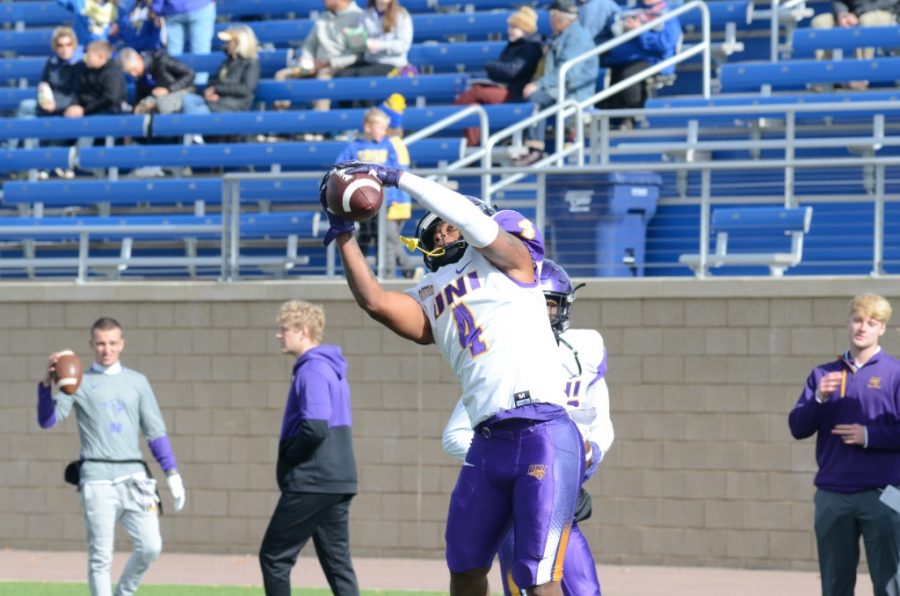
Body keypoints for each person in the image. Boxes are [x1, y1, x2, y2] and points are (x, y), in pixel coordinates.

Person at [320, 161, 584, 595]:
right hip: (487, 440)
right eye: (435, 231)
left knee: (536, 577)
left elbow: (470, 221)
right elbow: (374, 301)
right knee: (463, 567)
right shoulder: (429, 293)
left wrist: (398, 178)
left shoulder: (511, 263)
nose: (443, 233)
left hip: (543, 430)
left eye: (447, 225)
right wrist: (344, 231)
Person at [442, 259, 613, 596]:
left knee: (585, 590)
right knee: (525, 585)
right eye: (537, 302)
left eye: (550, 303)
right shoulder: (502, 358)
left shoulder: (586, 349)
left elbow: (602, 425)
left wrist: (580, 458)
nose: (544, 312)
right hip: (515, 489)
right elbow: (454, 436)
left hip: (560, 487)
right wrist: (519, 457)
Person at [36, 317, 186, 596]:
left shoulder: (138, 382)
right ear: (91, 345)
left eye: (113, 343)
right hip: (96, 478)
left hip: (135, 478)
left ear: (122, 344)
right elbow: (48, 421)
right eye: (101, 343)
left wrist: (172, 473)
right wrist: (45, 387)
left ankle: (124, 593)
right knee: (100, 556)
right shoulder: (76, 382)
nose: (107, 349)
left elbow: (155, 433)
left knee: (151, 546)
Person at [788, 293, 900, 596]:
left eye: (871, 322)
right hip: (832, 495)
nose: (862, 327)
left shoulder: (896, 373)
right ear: (847, 323)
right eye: (857, 320)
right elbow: (798, 428)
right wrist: (819, 400)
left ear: (882, 329)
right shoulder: (823, 374)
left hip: (885, 495)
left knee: (891, 584)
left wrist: (870, 436)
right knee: (835, 585)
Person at [259, 300, 359, 596]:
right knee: (337, 564)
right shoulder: (330, 368)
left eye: (284, 328)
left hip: (313, 482)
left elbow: (315, 427)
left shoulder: (312, 369)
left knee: (274, 557)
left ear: (302, 331)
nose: (279, 335)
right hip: (337, 480)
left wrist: (290, 456)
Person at [512, 0, 598, 167]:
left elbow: (568, 73)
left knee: (535, 98)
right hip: (560, 89)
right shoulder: (564, 35)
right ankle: (517, 142)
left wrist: (539, 84)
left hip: (573, 92)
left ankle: (535, 149)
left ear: (558, 17)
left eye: (551, 16)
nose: (550, 20)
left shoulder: (576, 36)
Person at [335, 107, 415, 278]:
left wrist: (394, 198)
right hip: (362, 203)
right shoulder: (354, 147)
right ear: (368, 127)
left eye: (385, 129)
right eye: (380, 128)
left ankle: (389, 275)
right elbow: (340, 167)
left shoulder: (389, 146)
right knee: (368, 236)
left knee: (387, 238)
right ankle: (358, 274)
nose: (383, 132)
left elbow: (395, 173)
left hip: (385, 202)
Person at [453, 6, 544, 147]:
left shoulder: (530, 47)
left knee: (477, 91)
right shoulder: (516, 46)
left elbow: (512, 71)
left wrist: (490, 66)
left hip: (515, 92)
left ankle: (447, 115)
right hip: (506, 88)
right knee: (473, 108)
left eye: (513, 27)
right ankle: (470, 152)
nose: (509, 30)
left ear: (524, 28)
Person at [600, 0, 681, 129]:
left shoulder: (668, 13)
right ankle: (614, 121)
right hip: (625, 58)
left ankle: (635, 116)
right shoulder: (632, 11)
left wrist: (641, 31)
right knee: (607, 75)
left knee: (628, 76)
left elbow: (665, 43)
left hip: (653, 60)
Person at [273, 0, 363, 111]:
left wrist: (328, 63)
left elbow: (358, 54)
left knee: (323, 79)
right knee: (282, 75)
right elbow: (309, 45)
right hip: (314, 65)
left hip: (337, 67)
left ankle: (320, 124)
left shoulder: (357, 18)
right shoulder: (324, 17)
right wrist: (307, 61)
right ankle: (282, 119)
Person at [6, 27, 85, 152]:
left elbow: (75, 94)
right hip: (47, 105)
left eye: (68, 45)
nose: (64, 49)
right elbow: (44, 83)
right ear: (55, 46)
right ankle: (9, 151)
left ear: (73, 45)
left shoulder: (79, 65)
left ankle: (31, 159)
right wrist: (43, 97)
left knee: (29, 120)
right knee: (25, 108)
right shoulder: (51, 62)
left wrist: (56, 104)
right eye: (60, 45)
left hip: (64, 109)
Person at [810, 0, 899, 88]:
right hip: (853, 14)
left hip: (886, 12)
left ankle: (860, 77)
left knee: (866, 21)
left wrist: (857, 14)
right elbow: (840, 1)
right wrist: (842, 14)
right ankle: (823, 79)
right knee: (820, 22)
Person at [182, 25, 261, 115]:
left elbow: (245, 89)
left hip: (233, 105)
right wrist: (210, 92)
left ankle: (196, 128)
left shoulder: (251, 64)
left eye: (229, 42)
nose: (226, 45)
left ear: (239, 43)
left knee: (198, 112)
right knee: (188, 100)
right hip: (218, 101)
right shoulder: (228, 62)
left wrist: (216, 89)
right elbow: (214, 81)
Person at [335, 0, 414, 78]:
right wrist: (352, 36)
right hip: (370, 61)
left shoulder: (401, 15)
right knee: (342, 74)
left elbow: (403, 45)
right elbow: (360, 44)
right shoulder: (365, 15)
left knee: (362, 75)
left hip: (392, 62)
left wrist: (379, 45)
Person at [151, 0, 216, 83]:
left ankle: (175, 86)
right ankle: (199, 87)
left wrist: (158, 10)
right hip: (200, 6)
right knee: (201, 50)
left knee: (174, 53)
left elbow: (157, 7)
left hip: (174, 9)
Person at [118, 47, 195, 114]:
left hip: (181, 90)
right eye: (129, 73)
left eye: (134, 69)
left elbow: (190, 74)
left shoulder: (161, 60)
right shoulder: (140, 77)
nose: (133, 74)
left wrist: (169, 89)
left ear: (139, 59)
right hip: (158, 98)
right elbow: (141, 97)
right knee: (140, 109)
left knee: (162, 105)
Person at [65, 40, 128, 118]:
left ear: (101, 57)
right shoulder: (86, 72)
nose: (86, 58)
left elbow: (110, 99)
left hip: (108, 115)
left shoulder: (112, 75)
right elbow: (79, 93)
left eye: (89, 55)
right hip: (88, 114)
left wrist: (84, 110)